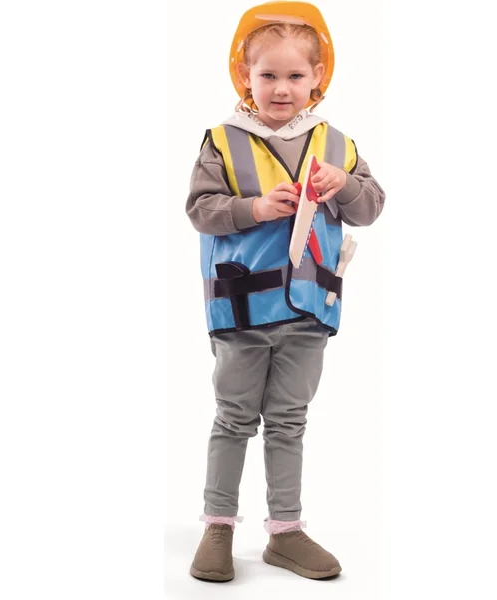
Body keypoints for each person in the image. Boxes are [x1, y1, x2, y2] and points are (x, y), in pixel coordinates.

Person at [185, 0, 385, 581]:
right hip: (243, 312)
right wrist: (252, 208)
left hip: (309, 314)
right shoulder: (223, 141)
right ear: (244, 74)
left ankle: (285, 533)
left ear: (317, 76)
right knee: (233, 418)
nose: (280, 88)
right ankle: (218, 527)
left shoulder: (338, 145)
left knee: (289, 420)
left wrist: (345, 184)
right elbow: (200, 209)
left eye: (295, 75)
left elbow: (370, 208)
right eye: (267, 74)